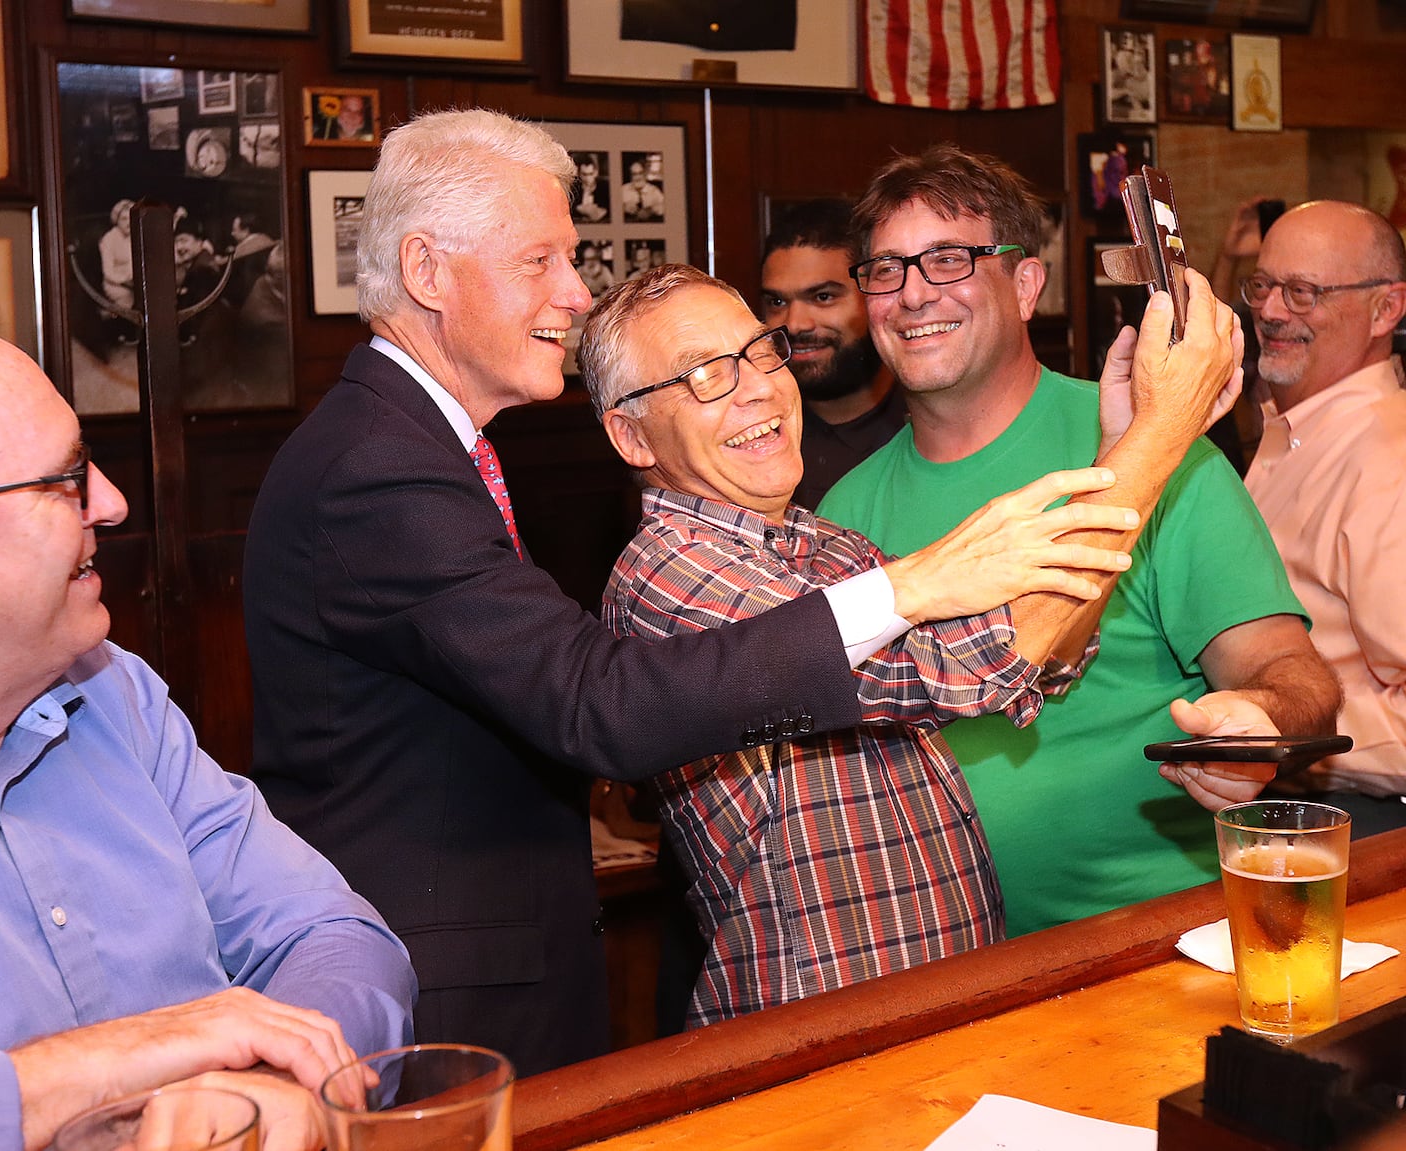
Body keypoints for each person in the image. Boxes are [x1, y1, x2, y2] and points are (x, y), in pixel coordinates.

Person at [240, 109, 1124, 1075]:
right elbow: (594, 703)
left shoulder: (429, 446)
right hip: (440, 991)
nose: (574, 294)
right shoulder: (380, 462)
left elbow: (1010, 664)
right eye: (542, 260)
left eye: (757, 357)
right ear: (426, 273)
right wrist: (915, 584)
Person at [578, 261, 1269, 1024]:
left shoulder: (828, 543)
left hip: (940, 1002)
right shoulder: (671, 571)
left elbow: (1024, 662)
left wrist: (1117, 456)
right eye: (705, 374)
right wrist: (1161, 433)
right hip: (820, 1036)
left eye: (758, 352)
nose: (757, 387)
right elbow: (981, 655)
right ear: (630, 434)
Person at [0, 303, 415, 1150]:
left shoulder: (110, 694)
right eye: (64, 480)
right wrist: (81, 1070)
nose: (114, 502)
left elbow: (331, 933)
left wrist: (278, 1084)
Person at [820, 145, 1342, 936]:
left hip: (1153, 940)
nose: (913, 293)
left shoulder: (1155, 450)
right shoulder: (840, 509)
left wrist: (1259, 723)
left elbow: (1295, 677)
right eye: (885, 269)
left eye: (949, 259)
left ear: (1027, 284)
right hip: (935, 962)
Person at [1240, 201, 1406, 833]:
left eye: (1304, 293)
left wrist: (1272, 725)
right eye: (1264, 286)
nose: (1273, 312)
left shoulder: (1388, 462)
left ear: (1385, 309)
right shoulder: (1298, 431)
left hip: (1354, 825)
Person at [760, 198, 906, 508]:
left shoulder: (929, 424)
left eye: (823, 296)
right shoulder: (752, 436)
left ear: (874, 296)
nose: (795, 324)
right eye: (777, 303)